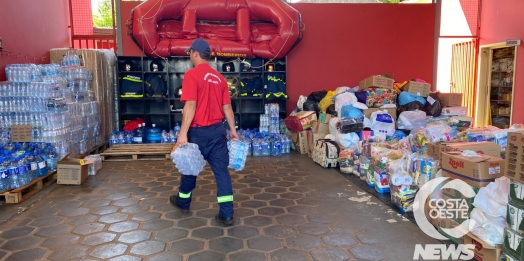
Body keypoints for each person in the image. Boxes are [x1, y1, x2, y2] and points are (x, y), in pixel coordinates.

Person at [170, 38, 239, 226]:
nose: (190, 57)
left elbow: (190, 105)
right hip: (218, 132)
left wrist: (182, 134)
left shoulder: (192, 75)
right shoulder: (220, 79)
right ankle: (227, 214)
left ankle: (183, 201)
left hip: (197, 133)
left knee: (190, 168)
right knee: (221, 172)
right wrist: (233, 131)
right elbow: (228, 108)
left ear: (195, 53)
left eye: (190, 53)